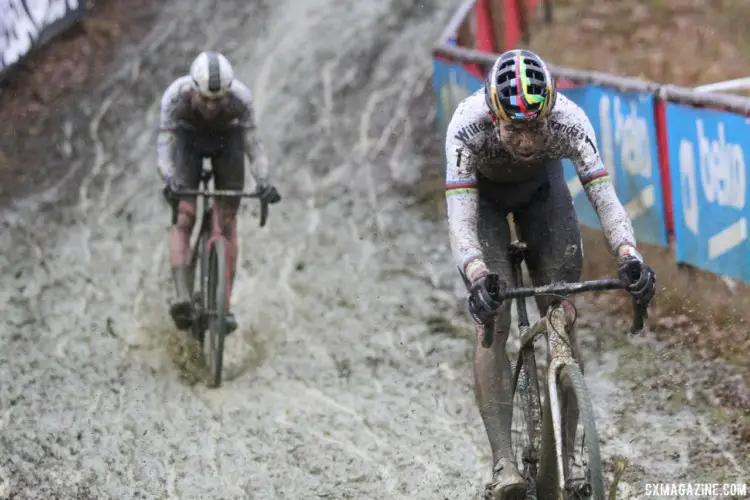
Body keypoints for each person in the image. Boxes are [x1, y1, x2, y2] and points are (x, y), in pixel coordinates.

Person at [444, 49, 656, 499]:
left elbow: (603, 196)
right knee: (493, 320)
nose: (525, 142)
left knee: (562, 311)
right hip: (483, 204)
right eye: (514, 128)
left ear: (551, 110)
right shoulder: (466, 127)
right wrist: (478, 273)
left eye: (535, 127)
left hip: (544, 195)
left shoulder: (569, 121)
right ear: (494, 113)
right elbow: (461, 223)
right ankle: (503, 462)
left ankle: (574, 458)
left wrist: (629, 254)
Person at [157, 51, 281, 334]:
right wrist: (169, 179)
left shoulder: (240, 99)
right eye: (205, 99)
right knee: (185, 215)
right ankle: (182, 296)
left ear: (228, 92)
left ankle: (224, 305)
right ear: (193, 89)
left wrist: (264, 181)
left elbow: (254, 144)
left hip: (228, 142)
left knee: (227, 221)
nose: (212, 106)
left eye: (218, 99)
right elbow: (165, 146)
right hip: (187, 142)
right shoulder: (175, 96)